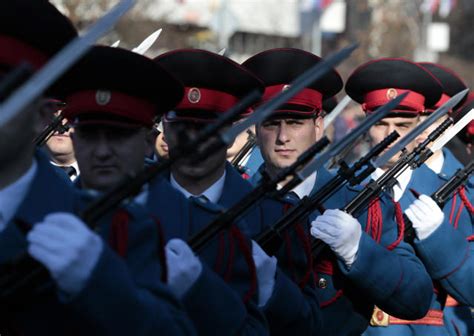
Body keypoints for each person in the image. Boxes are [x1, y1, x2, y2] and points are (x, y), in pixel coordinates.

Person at [243, 51, 434, 335]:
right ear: (257, 128)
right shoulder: (233, 204)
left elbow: (416, 299)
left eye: (295, 122)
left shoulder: (362, 206)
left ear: (318, 124)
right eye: (271, 122)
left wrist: (359, 251)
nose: (283, 137)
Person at [155, 48, 322, 335]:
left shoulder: (274, 215)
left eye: (210, 127)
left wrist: (272, 290)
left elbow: (308, 328)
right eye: (183, 125)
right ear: (163, 129)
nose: (195, 140)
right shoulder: (132, 207)